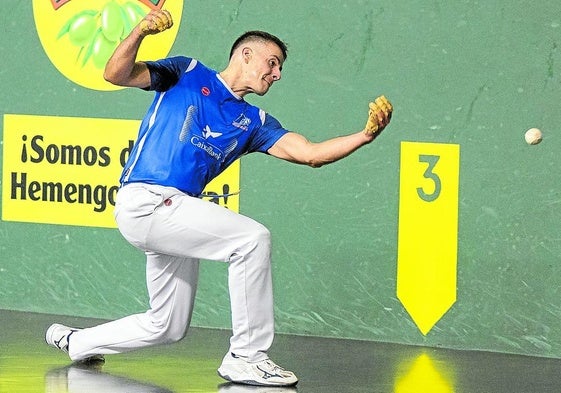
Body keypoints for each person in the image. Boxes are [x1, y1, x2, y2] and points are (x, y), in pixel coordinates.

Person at [45, 9, 392, 387]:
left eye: (279, 69)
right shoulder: (186, 72)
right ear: (245, 55)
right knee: (251, 239)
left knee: (167, 325)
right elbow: (115, 74)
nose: (276, 74)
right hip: (147, 201)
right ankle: (247, 357)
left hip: (174, 214)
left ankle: (77, 342)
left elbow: (309, 153)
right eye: (272, 63)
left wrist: (365, 136)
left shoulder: (255, 122)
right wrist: (140, 31)